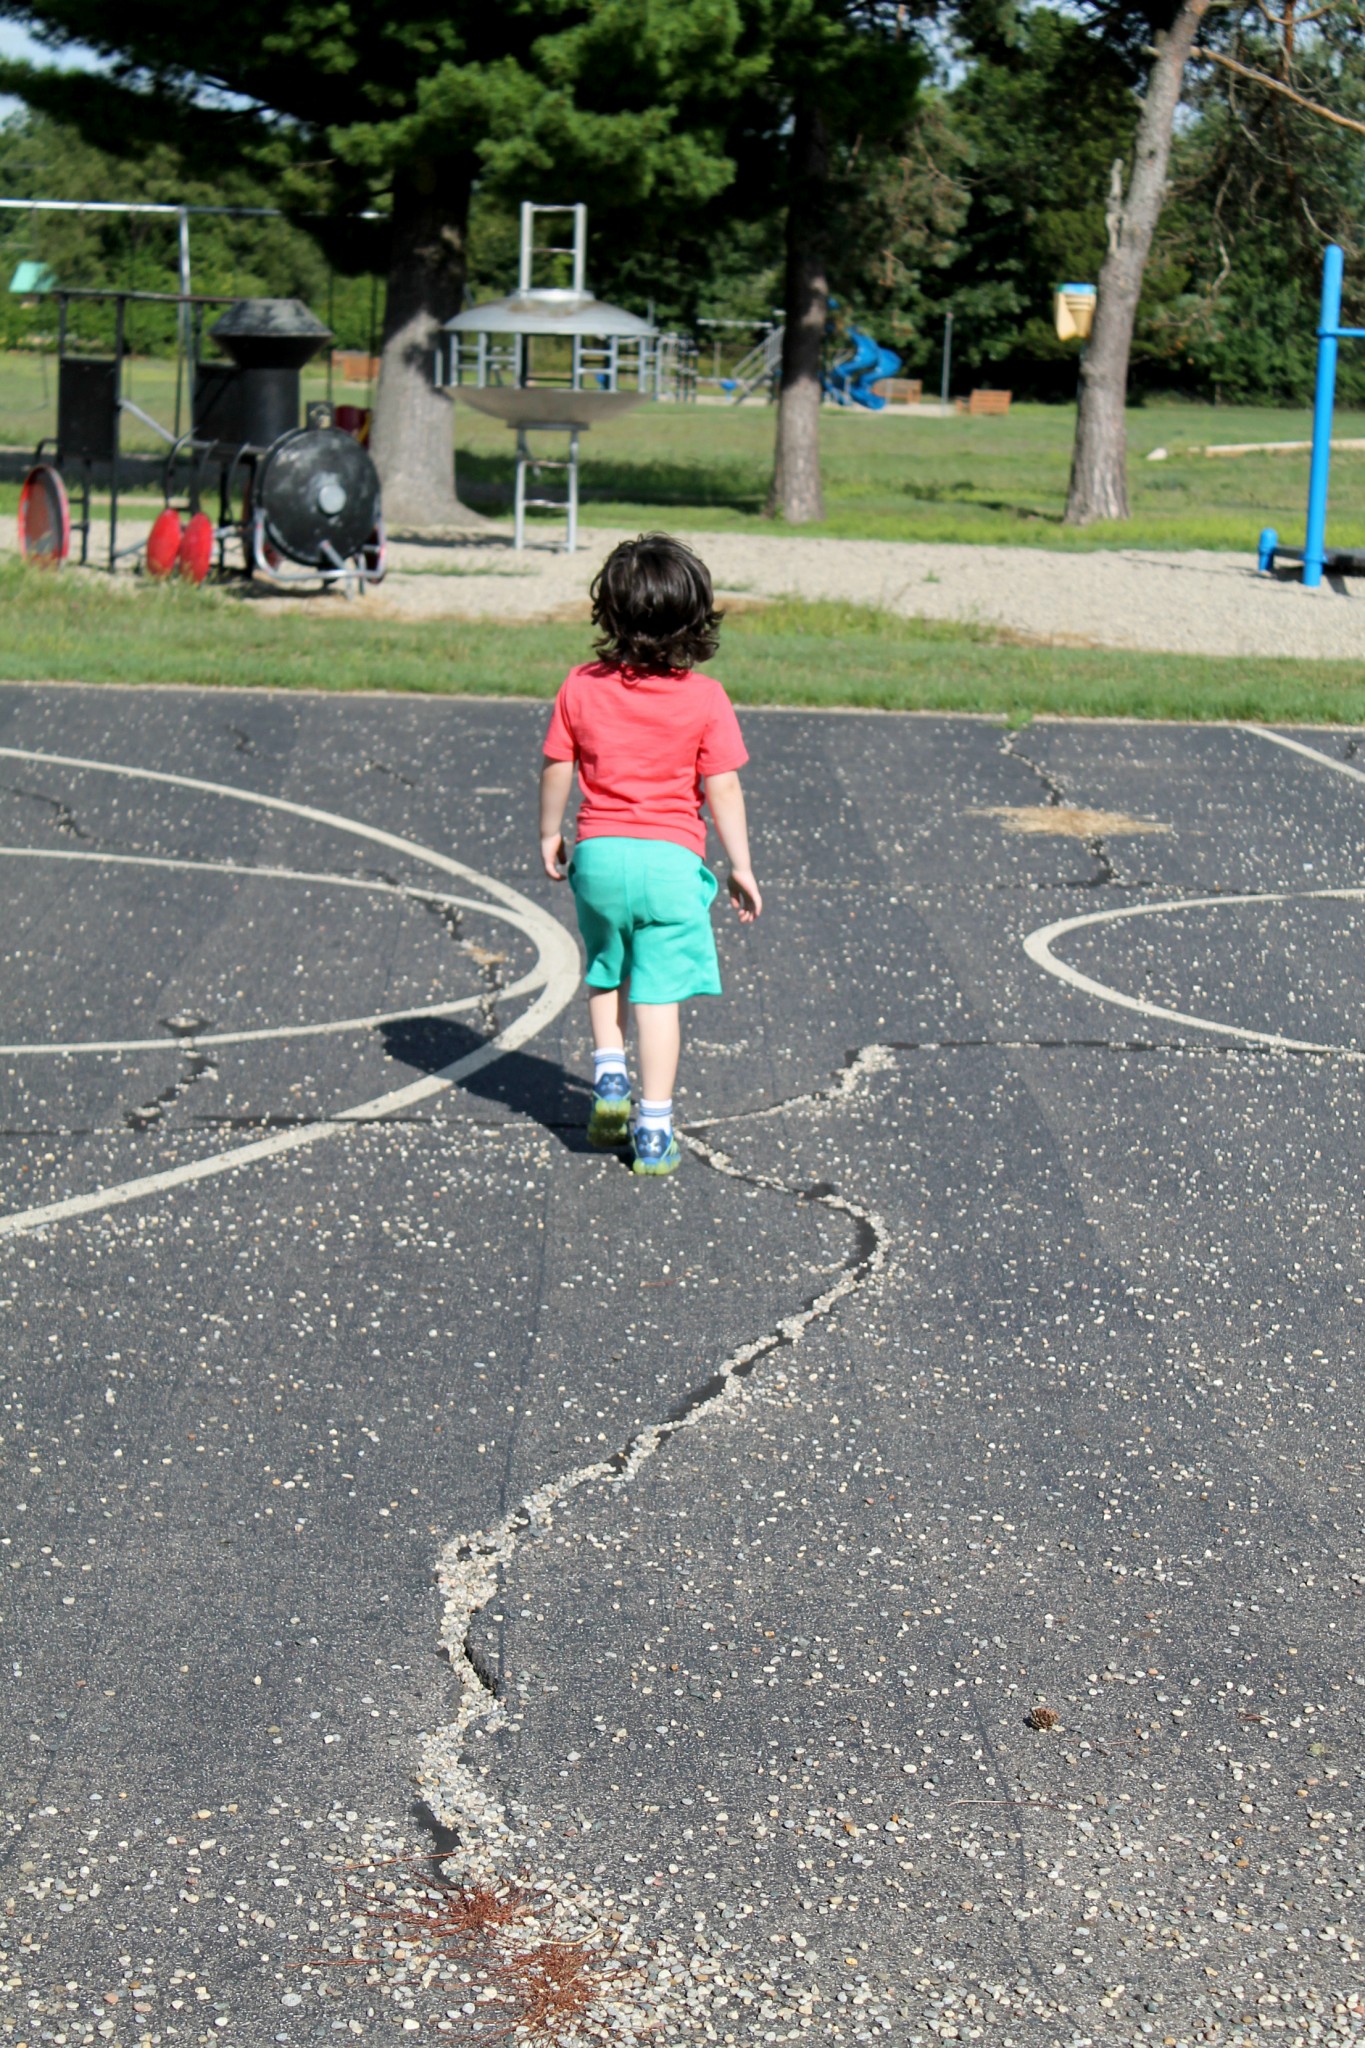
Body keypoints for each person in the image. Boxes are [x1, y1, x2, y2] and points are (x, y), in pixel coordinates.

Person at [539, 533, 762, 1177]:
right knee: (658, 998)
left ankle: (610, 1074)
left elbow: (559, 763)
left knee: (607, 967)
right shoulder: (706, 698)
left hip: (602, 859)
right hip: (670, 863)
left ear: (608, 612)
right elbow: (722, 786)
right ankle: (655, 1130)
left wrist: (551, 831)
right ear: (696, 614)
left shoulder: (580, 686)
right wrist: (740, 864)